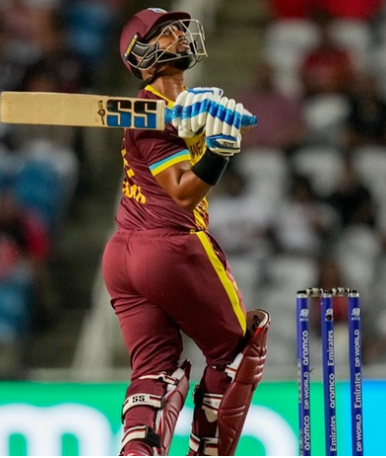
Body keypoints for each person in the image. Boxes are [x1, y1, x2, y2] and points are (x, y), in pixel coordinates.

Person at [103, 8, 270, 456]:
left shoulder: (183, 106)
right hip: (171, 248)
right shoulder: (147, 115)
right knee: (238, 353)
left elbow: (185, 129)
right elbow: (181, 192)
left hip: (123, 257)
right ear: (140, 54)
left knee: (154, 372)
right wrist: (217, 151)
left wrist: (201, 124)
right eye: (164, 32)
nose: (179, 34)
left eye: (179, 28)